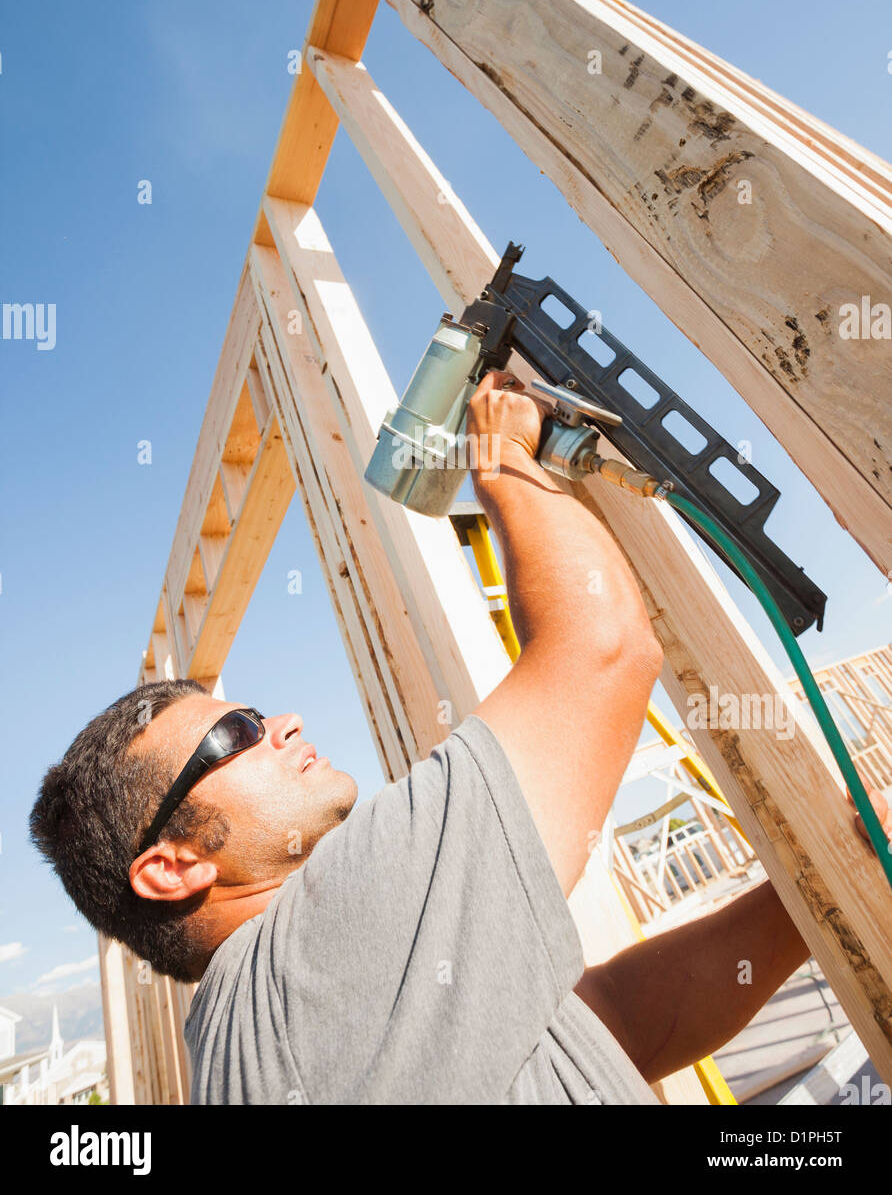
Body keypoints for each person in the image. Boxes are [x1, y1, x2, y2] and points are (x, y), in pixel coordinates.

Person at [30, 372, 888, 1104]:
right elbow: (604, 650)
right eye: (236, 733)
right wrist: (504, 458)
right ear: (173, 865)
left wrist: (806, 898)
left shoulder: (257, 1041)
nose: (281, 722)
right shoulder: (311, 958)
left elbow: (621, 1023)